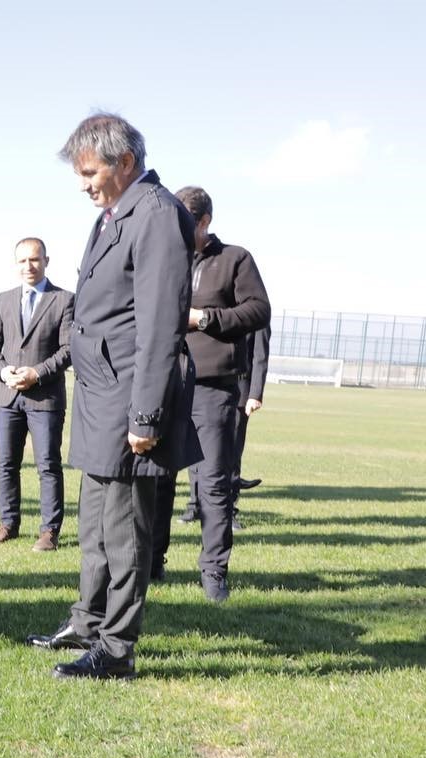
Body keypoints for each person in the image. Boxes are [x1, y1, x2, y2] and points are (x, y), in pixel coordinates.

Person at [24, 112, 199, 681]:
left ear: (125, 162)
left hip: (128, 399)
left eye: (91, 171)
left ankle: (116, 651)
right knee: (96, 525)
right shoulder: (115, 214)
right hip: (101, 395)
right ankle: (88, 620)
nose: (84, 183)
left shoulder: (155, 213)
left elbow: (158, 323)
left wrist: (145, 414)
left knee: (125, 535)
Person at [149, 187, 271, 600]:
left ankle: (213, 572)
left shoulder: (235, 259)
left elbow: (258, 311)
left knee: (213, 486)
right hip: (164, 381)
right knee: (158, 479)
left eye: (186, 226)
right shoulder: (163, 258)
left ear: (204, 223)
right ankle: (152, 561)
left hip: (213, 387)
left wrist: (204, 319)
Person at [0, 238, 74, 551]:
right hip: (6, 397)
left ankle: (50, 531)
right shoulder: (4, 300)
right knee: (6, 464)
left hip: (44, 398)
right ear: (16, 264)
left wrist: (37, 373)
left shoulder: (64, 300)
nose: (28, 267)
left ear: (46, 260)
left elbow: (68, 349)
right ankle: (8, 523)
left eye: (34, 260)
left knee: (47, 465)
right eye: (22, 261)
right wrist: (4, 370)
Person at [231, 323, 270, 528]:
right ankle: (198, 506)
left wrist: (255, 393)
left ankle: (229, 511)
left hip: (240, 394)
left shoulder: (256, 311)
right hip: (210, 392)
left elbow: (260, 354)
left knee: (232, 454)